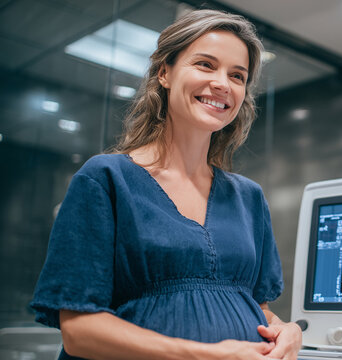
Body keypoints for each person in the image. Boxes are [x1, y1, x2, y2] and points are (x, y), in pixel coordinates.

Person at [30, 10, 301, 360]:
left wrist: (287, 330)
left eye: (237, 75)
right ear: (164, 73)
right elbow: (79, 331)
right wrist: (205, 354)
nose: (222, 83)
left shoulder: (248, 197)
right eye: (205, 65)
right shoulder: (106, 179)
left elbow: (254, 309)